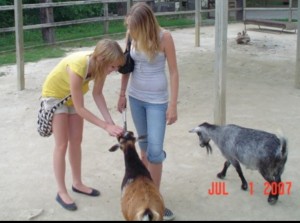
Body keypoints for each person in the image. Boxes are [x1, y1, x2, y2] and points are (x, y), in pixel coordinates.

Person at [41, 39, 125, 211]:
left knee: (76, 141)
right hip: (55, 97)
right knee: (62, 144)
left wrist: (110, 123)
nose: (115, 71)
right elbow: (80, 108)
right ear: (101, 60)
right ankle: (61, 191)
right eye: (113, 67)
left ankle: (77, 183)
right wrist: (104, 126)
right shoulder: (79, 66)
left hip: (71, 99)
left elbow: (98, 94)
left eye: (117, 67)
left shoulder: (101, 68)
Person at [117, 2, 179, 221]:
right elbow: (126, 66)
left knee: (154, 152)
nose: (131, 32)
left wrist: (173, 105)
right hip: (136, 98)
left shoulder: (165, 38)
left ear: (145, 24)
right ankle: (143, 198)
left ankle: (156, 200)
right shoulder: (131, 35)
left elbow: (173, 71)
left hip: (157, 101)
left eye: (134, 28)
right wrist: (122, 93)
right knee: (143, 150)